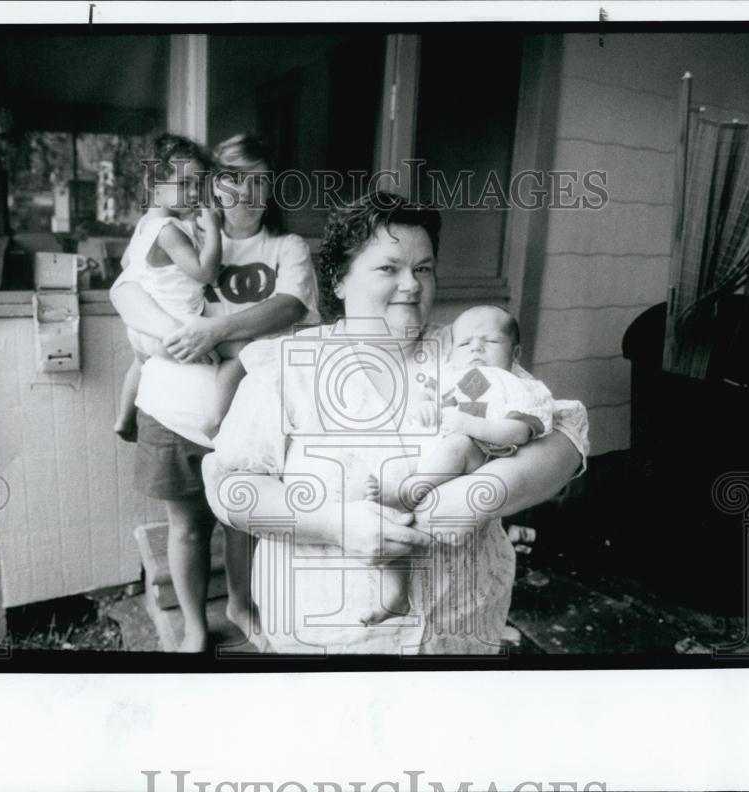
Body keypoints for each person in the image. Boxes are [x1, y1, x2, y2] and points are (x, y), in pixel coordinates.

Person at [203, 192, 589, 654]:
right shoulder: (290, 368)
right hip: (332, 636)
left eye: (423, 269)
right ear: (340, 280)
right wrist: (335, 524)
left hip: (460, 626)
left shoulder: (465, 353)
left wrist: (477, 494)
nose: (411, 284)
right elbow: (231, 488)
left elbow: (565, 430)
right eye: (389, 268)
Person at [110, 134, 319, 652]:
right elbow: (126, 293)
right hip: (170, 404)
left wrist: (214, 331)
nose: (245, 192)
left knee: (244, 521)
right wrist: (155, 335)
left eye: (259, 179)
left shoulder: (285, 247)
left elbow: (291, 306)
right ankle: (196, 629)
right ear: (212, 184)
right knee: (186, 528)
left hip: (248, 413)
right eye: (232, 177)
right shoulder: (177, 233)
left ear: (273, 188)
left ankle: (240, 605)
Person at [360, 304, 555, 624]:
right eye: (465, 343)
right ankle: (395, 593)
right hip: (432, 460)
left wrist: (468, 424)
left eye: (490, 342)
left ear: (515, 352)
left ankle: (408, 492)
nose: (476, 348)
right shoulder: (464, 379)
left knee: (457, 444)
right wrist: (425, 409)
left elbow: (518, 432)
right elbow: (431, 402)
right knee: (388, 520)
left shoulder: (516, 385)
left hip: (478, 456)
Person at [113, 134, 243, 444]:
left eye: (198, 184)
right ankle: (216, 419)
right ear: (154, 184)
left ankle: (123, 417)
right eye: (183, 184)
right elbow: (206, 274)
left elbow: (125, 262)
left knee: (139, 362)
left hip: (147, 327)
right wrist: (213, 232)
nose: (193, 192)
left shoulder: (145, 223)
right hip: (178, 325)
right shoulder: (170, 232)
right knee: (244, 350)